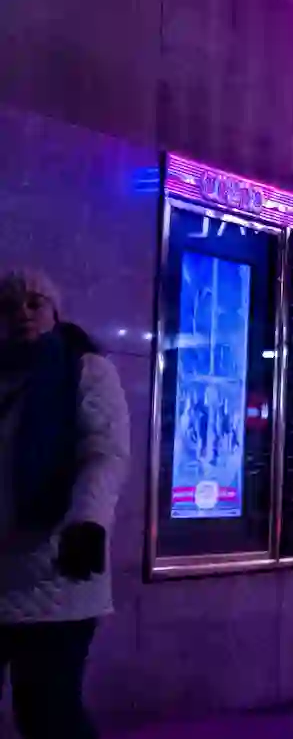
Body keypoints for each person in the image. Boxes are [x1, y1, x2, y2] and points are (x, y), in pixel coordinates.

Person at [0, 268, 131, 739]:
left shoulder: (84, 369)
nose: (22, 314)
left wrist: (88, 521)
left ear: (55, 311)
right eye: (9, 305)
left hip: (55, 573)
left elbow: (103, 453)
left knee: (47, 713)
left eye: (34, 303)